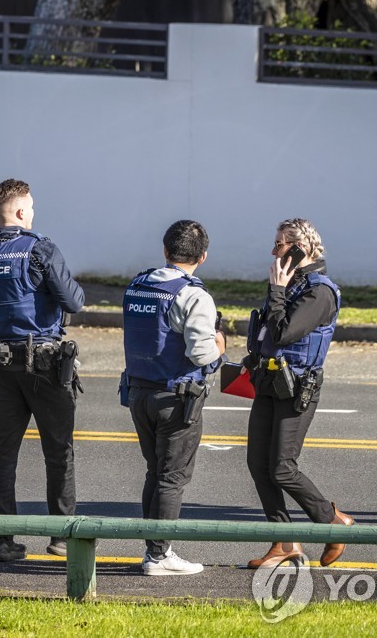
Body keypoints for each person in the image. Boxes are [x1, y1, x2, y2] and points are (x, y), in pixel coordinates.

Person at [0, 179, 85, 562]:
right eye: (29, 207)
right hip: (43, 365)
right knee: (59, 451)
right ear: (18, 212)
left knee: (2, 456)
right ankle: (62, 537)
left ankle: (1, 542)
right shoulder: (39, 249)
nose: (32, 213)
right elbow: (74, 302)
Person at [243, 218, 353, 569]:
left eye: (279, 245)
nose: (273, 251)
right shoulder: (290, 283)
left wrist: (276, 290)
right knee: (258, 465)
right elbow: (267, 334)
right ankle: (285, 541)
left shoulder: (318, 292)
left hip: (296, 389)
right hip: (268, 382)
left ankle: (332, 522)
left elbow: (285, 333)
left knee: (282, 468)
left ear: (298, 249)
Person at [120, 220, 227, 576]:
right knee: (172, 477)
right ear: (203, 257)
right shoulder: (194, 295)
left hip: (138, 392)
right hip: (176, 397)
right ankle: (159, 556)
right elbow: (201, 354)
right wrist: (220, 349)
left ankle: (154, 549)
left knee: (156, 471)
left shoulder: (137, 286)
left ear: (165, 251)